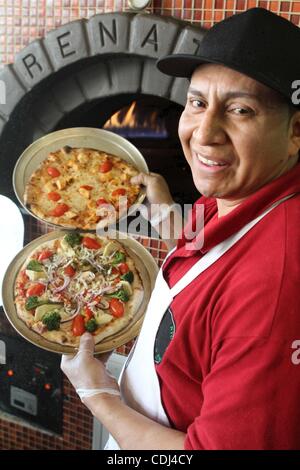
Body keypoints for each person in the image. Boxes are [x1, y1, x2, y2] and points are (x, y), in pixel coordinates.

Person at [61, 8, 300, 449]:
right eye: (197, 103)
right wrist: (164, 211)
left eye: (240, 110)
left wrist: (98, 396)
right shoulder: (241, 190)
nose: (204, 134)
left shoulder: (275, 288)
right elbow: (219, 252)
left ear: (295, 131)